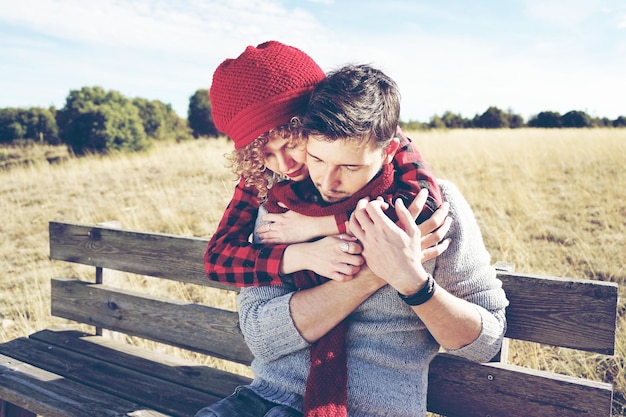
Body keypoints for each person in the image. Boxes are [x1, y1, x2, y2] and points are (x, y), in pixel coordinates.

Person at [198, 63, 508, 417]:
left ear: (389, 151)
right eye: (316, 158)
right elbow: (260, 336)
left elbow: (485, 342)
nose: (327, 182)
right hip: (267, 397)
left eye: (349, 167)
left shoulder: (430, 209)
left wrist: (414, 283)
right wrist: (372, 275)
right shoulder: (280, 208)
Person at [204, 41, 447, 287]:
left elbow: (423, 205)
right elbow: (217, 259)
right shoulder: (262, 173)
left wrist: (319, 225)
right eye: (267, 154)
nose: (284, 165)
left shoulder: (370, 136)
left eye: (292, 144)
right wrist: (302, 256)